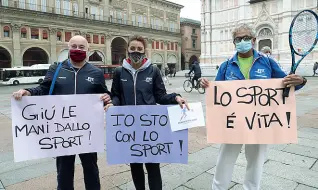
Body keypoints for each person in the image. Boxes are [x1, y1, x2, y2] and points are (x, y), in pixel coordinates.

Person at [200, 24, 307, 190]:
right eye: (238, 39)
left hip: (260, 124)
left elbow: (286, 84)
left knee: (256, 163)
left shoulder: (268, 63)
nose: (242, 41)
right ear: (233, 42)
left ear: (253, 40)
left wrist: (300, 81)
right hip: (233, 123)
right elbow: (215, 91)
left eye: (246, 38)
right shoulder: (226, 66)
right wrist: (206, 85)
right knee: (224, 161)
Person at [12, 35, 112, 190]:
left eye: (81, 47)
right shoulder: (56, 68)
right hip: (62, 131)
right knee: (64, 171)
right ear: (68, 47)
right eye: (74, 46)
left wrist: (108, 99)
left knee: (91, 169)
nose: (77, 50)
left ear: (88, 50)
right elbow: (44, 88)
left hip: (87, 131)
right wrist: (28, 92)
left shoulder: (96, 73)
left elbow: (104, 94)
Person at [109, 35, 189, 190]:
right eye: (132, 49)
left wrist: (176, 98)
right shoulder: (119, 72)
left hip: (149, 127)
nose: (136, 52)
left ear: (144, 51)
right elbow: (116, 95)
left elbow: (160, 95)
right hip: (129, 128)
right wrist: (112, 104)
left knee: (153, 166)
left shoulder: (153, 71)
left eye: (139, 49)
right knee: (135, 165)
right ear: (128, 51)